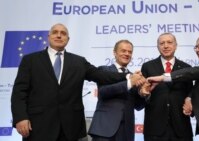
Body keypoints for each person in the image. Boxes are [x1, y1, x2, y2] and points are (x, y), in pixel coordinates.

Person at [11, 23, 144, 141]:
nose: (59, 36)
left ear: (68, 39)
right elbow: (19, 92)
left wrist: (128, 76)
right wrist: (20, 117)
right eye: (55, 32)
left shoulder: (79, 62)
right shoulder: (30, 60)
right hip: (38, 126)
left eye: (63, 33)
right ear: (48, 36)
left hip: (70, 128)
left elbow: (102, 76)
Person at [139, 33, 194, 141]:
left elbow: (191, 92)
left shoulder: (186, 68)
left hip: (181, 127)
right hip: (154, 128)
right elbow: (142, 94)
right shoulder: (148, 66)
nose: (166, 46)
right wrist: (144, 92)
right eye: (162, 43)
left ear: (176, 45)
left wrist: (190, 99)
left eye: (169, 42)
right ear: (157, 46)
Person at [88, 40, 146, 141]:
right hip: (104, 129)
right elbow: (103, 92)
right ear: (114, 53)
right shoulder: (104, 70)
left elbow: (138, 106)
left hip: (126, 132)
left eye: (129, 52)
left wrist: (143, 93)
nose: (127, 54)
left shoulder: (134, 77)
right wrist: (129, 83)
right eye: (123, 51)